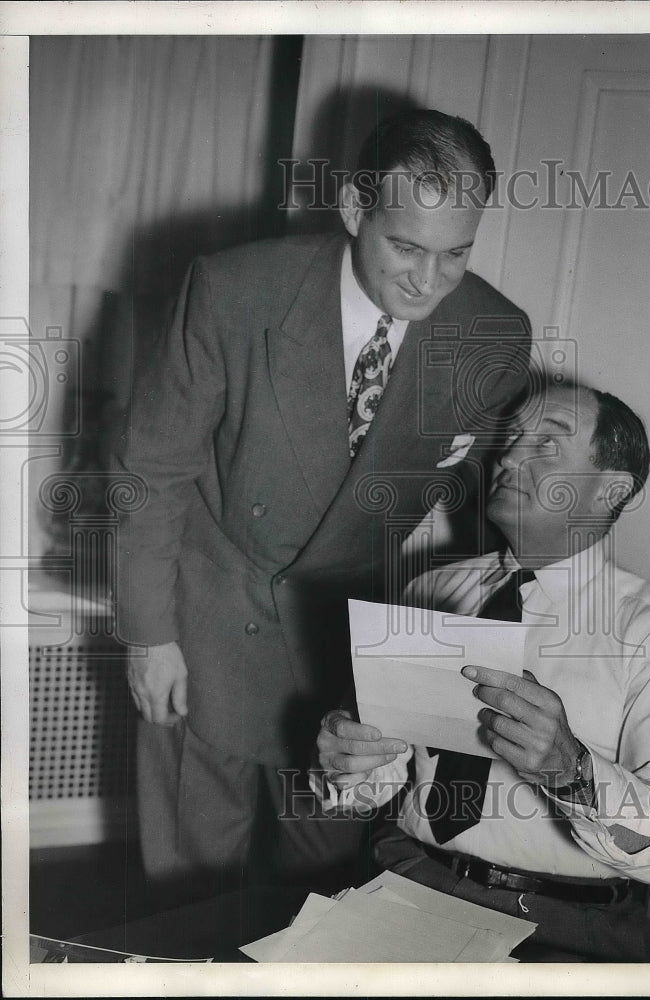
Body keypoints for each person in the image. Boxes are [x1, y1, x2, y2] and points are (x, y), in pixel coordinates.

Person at [114, 108, 531, 904]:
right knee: (194, 894)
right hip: (208, 619)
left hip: (349, 652)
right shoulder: (235, 290)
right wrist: (148, 635)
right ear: (352, 209)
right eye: (405, 246)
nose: (428, 280)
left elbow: (482, 511)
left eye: (456, 255)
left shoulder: (493, 334)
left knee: (324, 894)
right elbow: (151, 469)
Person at [315, 380, 650, 962]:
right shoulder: (430, 589)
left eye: (546, 445)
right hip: (403, 881)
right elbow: (380, 786)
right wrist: (348, 764)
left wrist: (572, 771)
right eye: (512, 438)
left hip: (560, 926)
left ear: (611, 489)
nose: (509, 455)